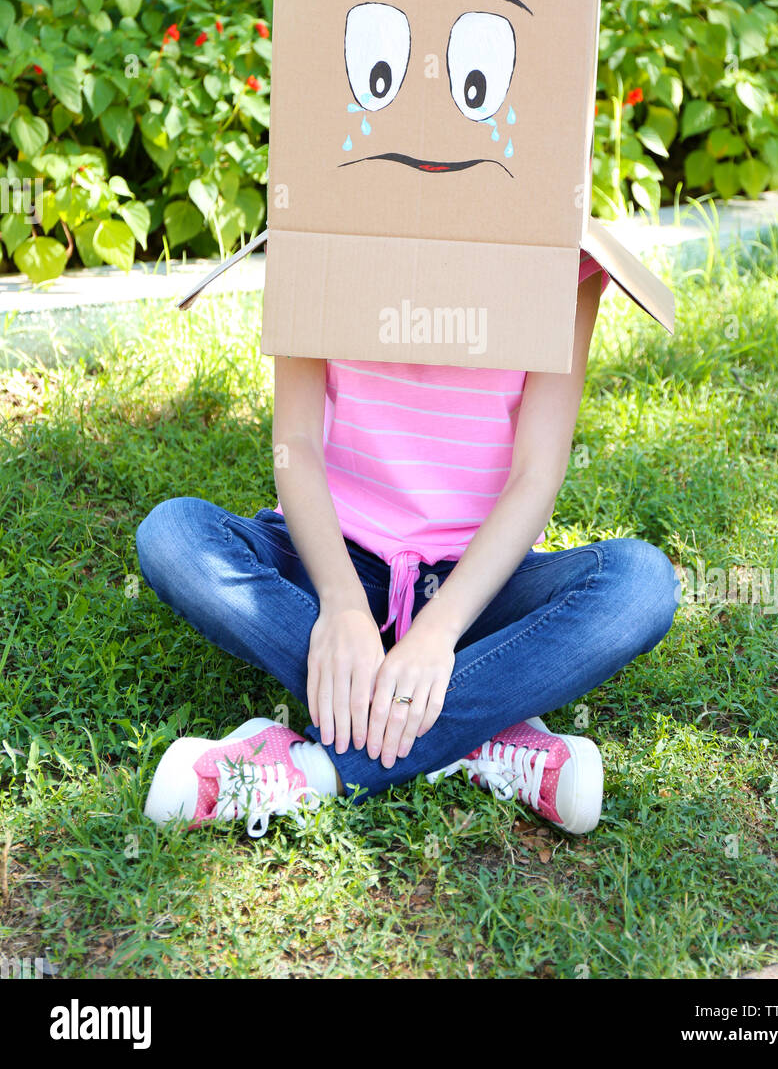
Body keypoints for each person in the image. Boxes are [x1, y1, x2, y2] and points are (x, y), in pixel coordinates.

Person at [136, 254, 679, 842]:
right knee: (175, 536)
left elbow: (536, 477)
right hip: (335, 563)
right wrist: (342, 604)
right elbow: (296, 443)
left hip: (478, 587)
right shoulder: (323, 232)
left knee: (639, 583)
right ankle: (477, 728)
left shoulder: (561, 257)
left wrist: (438, 632)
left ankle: (308, 769)